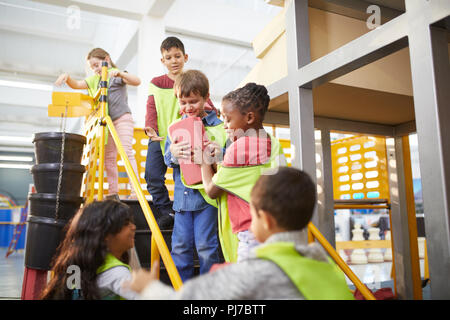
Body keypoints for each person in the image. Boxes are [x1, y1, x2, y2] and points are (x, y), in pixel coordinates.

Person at [126, 167, 355, 300]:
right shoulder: (329, 267)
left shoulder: (253, 273)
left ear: (265, 219)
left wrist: (148, 287)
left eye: (252, 213)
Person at [200, 83, 286, 263]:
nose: (224, 125)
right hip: (274, 228)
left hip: (251, 231)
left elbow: (212, 190)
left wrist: (203, 161)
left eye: (228, 119)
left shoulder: (240, 147)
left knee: (247, 287)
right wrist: (220, 161)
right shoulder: (272, 142)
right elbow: (245, 175)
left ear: (249, 117)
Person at [144, 36, 217, 229]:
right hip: (160, 136)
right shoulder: (156, 83)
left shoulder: (191, 80)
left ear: (185, 57)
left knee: (185, 176)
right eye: (168, 57)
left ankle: (190, 210)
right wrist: (149, 126)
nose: (173, 61)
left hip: (185, 138)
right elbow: (151, 106)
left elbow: (208, 106)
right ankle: (165, 210)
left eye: (177, 56)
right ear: (163, 61)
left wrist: (213, 120)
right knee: (152, 176)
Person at [162, 70, 225, 281]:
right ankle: (183, 291)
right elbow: (167, 158)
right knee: (180, 247)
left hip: (207, 199)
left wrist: (218, 153)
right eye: (183, 102)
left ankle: (209, 292)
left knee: (207, 246)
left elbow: (226, 160)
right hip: (182, 199)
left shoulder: (218, 127)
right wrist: (173, 154)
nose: (188, 107)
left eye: (193, 101)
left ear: (206, 99)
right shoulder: (175, 127)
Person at [55, 48, 141, 201]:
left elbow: (137, 81)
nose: (95, 69)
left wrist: (120, 73)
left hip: (122, 119)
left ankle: (135, 192)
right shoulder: (94, 80)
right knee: (109, 158)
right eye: (92, 67)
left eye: (96, 65)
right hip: (105, 123)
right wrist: (67, 77)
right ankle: (113, 192)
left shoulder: (115, 74)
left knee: (126, 152)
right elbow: (76, 85)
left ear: (106, 59)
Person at [41, 200, 139, 300]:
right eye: (126, 224)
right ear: (106, 234)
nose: (133, 227)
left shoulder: (77, 263)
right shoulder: (117, 273)